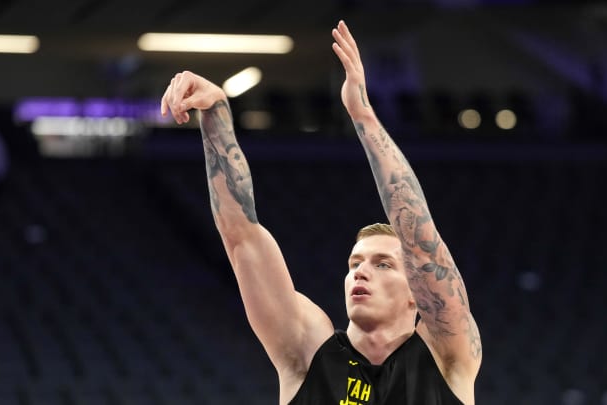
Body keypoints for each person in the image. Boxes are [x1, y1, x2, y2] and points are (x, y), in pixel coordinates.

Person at [160, 20, 481, 404]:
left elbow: (421, 241)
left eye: (383, 264)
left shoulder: (446, 356)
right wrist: (215, 114)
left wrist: (362, 116)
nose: (360, 271)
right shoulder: (307, 351)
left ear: (417, 293)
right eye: (355, 262)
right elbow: (241, 235)